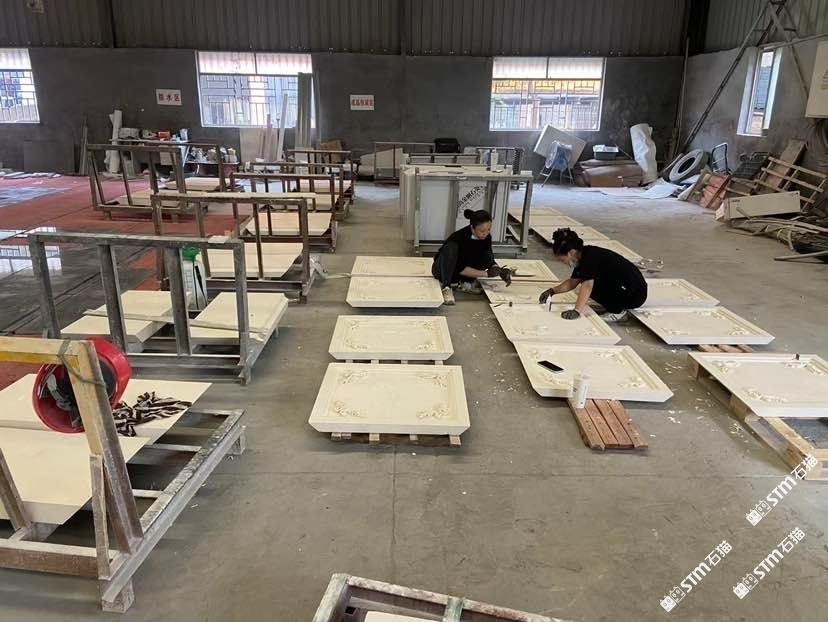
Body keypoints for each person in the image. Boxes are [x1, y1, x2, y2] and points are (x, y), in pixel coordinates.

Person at [539, 228, 647, 321]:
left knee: (590, 287)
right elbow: (572, 282)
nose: (564, 263)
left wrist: (577, 310)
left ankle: (617, 311)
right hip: (629, 288)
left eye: (563, 260)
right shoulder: (584, 255)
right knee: (586, 285)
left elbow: (588, 286)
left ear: (571, 253)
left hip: (635, 295)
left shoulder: (589, 259)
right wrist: (552, 291)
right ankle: (615, 303)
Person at [432, 209, 513, 305]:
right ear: (472, 228)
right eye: (482, 231)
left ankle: (463, 283)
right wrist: (486, 274)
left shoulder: (486, 237)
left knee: (487, 255)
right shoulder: (459, 238)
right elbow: (459, 268)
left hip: (461, 268)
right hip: (442, 269)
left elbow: (489, 258)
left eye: (488, 230)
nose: (486, 233)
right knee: (451, 248)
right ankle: (447, 287)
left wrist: (498, 270)